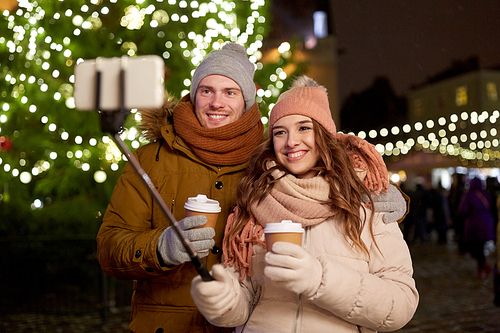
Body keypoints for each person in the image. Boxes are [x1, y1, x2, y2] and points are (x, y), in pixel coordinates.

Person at [97, 43, 408, 332]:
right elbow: (110, 245)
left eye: (230, 92)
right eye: (206, 90)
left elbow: (337, 175)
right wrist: (160, 248)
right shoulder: (151, 159)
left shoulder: (265, 164)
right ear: (192, 95)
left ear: (246, 100)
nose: (217, 102)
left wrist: (383, 194)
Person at [190, 76, 419, 332]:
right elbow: (244, 301)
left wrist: (319, 279)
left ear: (324, 135)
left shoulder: (366, 204)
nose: (291, 142)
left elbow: (400, 305)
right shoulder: (254, 202)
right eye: (280, 132)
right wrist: (222, 302)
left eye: (304, 128)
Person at [458, 177, 495, 279]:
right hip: (487, 223)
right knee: (480, 246)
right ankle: (483, 267)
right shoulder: (485, 194)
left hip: (474, 225)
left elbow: (462, 210)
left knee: (476, 247)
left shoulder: (469, 195)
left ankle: (484, 266)